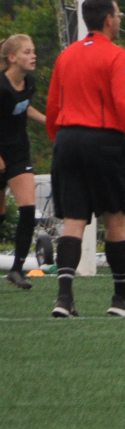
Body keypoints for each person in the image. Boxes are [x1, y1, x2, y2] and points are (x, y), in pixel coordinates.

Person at [43, 0, 125, 318]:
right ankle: (121, 298)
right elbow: (124, 103)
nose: (120, 20)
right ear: (108, 19)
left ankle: (64, 300)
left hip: (67, 140)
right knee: (115, 220)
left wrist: (62, 141)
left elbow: (52, 107)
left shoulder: (67, 55)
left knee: (73, 222)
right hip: (104, 142)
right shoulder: (117, 55)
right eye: (118, 15)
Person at [1, 35, 48, 289]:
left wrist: (49, 120)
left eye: (34, 51)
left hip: (19, 153)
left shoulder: (28, 82)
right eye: (27, 52)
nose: (33, 56)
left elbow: (25, 106)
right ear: (12, 58)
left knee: (28, 210)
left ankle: (17, 269)